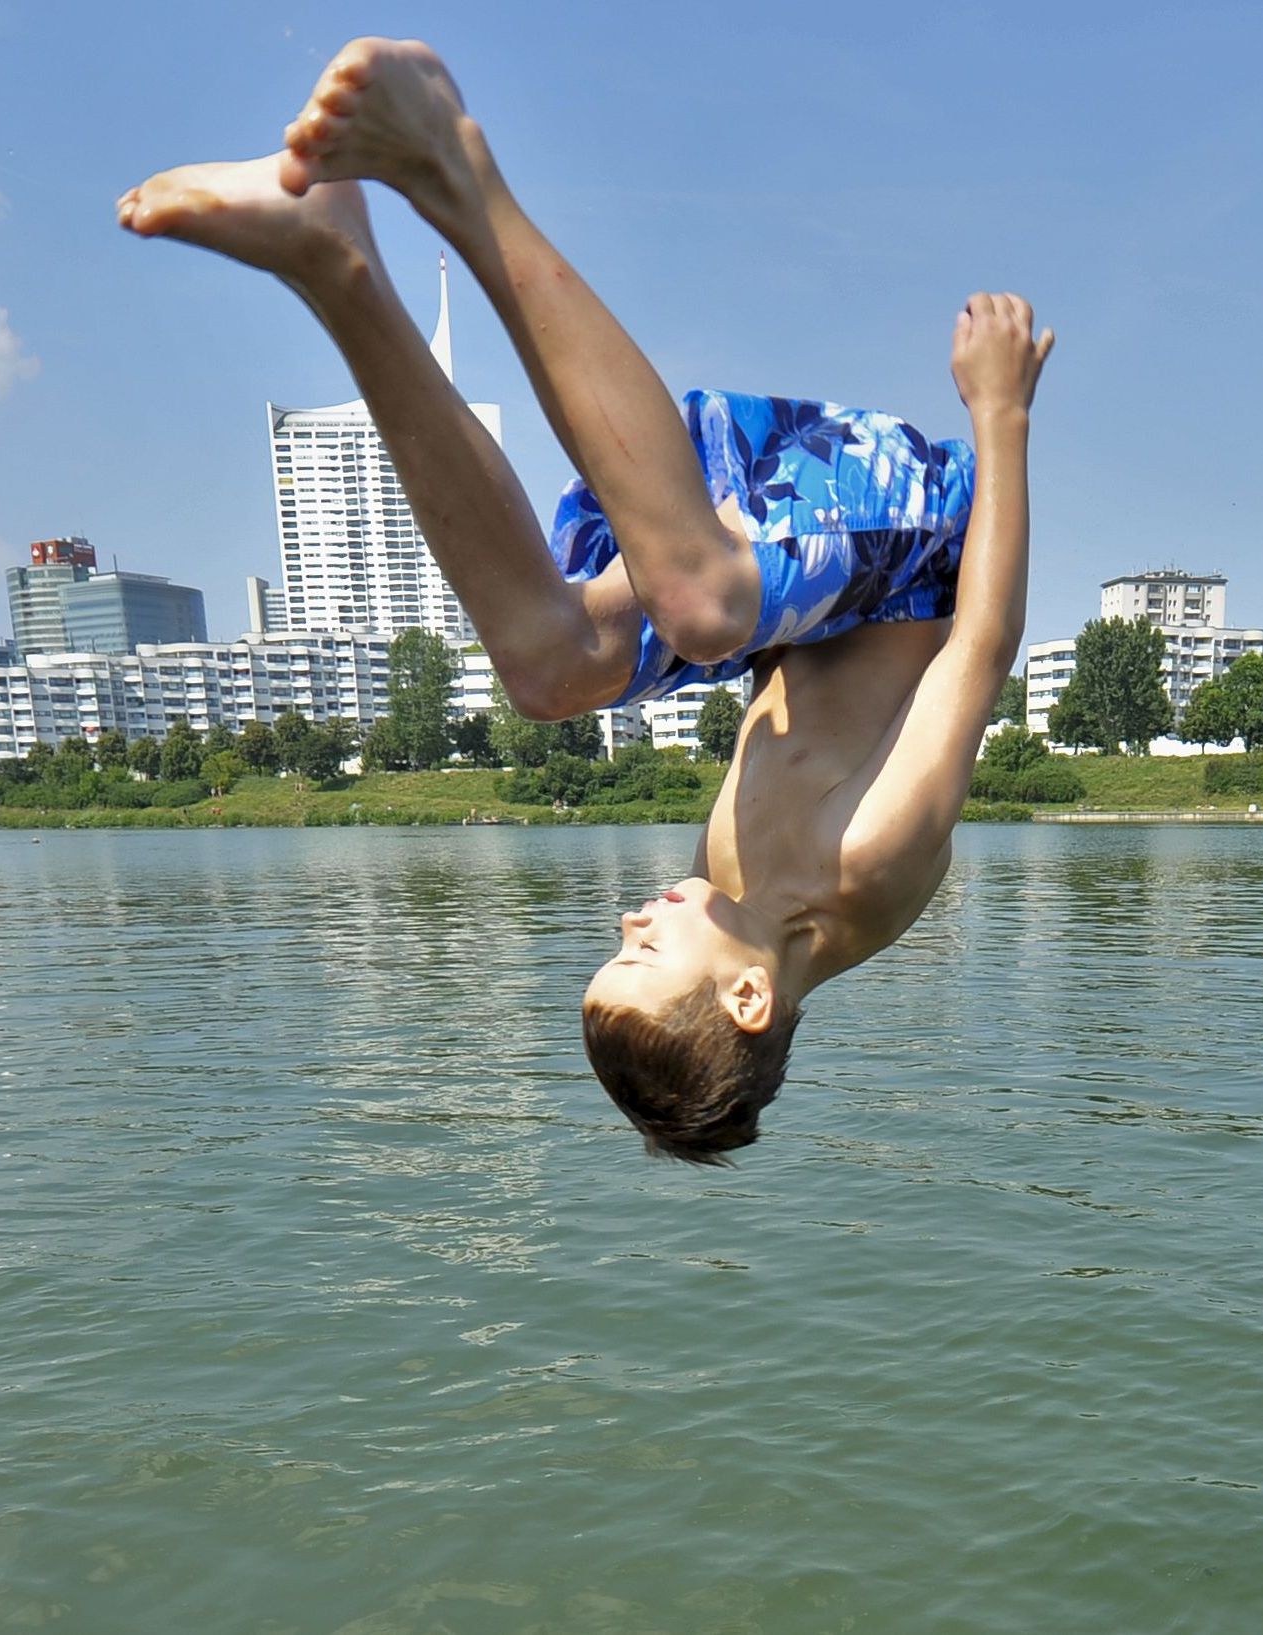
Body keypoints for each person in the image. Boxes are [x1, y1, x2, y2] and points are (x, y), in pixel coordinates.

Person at [118, 38, 1052, 1164]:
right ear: (750, 999)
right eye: (639, 955)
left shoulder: (736, 898)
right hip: (919, 542)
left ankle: (334, 266)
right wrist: (999, 413)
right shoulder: (867, 864)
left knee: (548, 673)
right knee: (702, 605)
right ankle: (453, 165)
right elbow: (980, 651)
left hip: (800, 593)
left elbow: (789, 679)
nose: (625, 921)